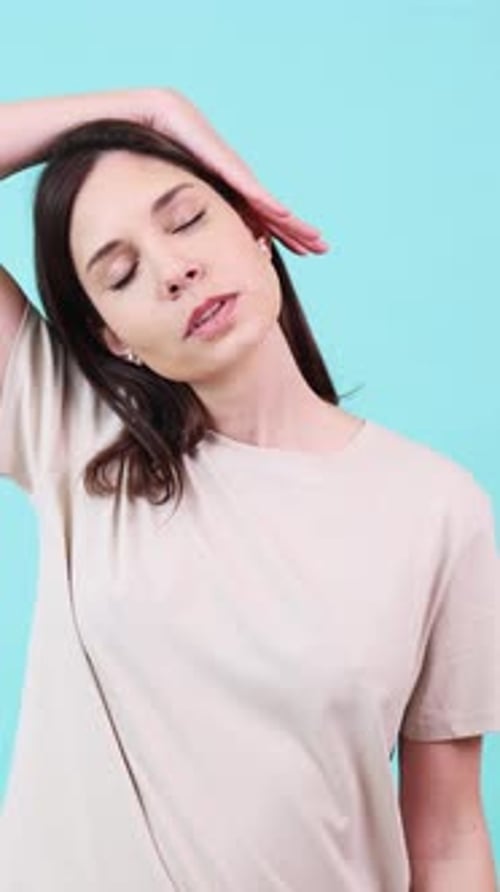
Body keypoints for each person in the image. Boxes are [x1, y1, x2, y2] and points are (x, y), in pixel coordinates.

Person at [0, 88, 499, 892]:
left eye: (188, 219)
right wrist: (145, 107)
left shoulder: (437, 508)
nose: (173, 270)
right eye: (121, 272)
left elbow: (446, 839)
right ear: (113, 338)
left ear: (256, 228)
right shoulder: (73, 439)